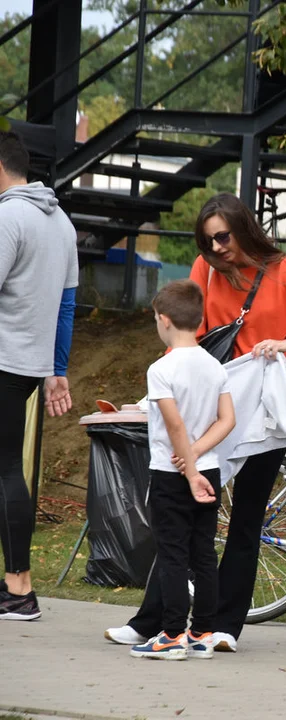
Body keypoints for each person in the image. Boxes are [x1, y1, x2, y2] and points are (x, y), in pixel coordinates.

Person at [106, 193, 286, 651]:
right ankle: (155, 619)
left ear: (243, 227)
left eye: (222, 236)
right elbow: (183, 331)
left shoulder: (285, 270)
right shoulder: (206, 269)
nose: (215, 247)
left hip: (266, 412)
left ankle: (224, 627)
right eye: (207, 240)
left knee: (247, 518)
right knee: (180, 518)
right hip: (215, 409)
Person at [130, 281, 235, 660]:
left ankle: (172, 634)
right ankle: (204, 631)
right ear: (201, 319)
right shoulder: (214, 366)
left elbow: (173, 425)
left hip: (174, 475)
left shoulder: (161, 368)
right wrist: (197, 456)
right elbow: (227, 420)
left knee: (173, 554)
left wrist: (187, 469)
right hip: (211, 470)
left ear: (165, 320)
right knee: (203, 552)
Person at [0, 130, 79, 621]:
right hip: (28, 364)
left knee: (6, 468)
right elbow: (67, 304)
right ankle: (17, 585)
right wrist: (57, 369)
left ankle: (19, 587)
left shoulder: (9, 215)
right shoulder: (61, 221)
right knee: (7, 466)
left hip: (4, 358)